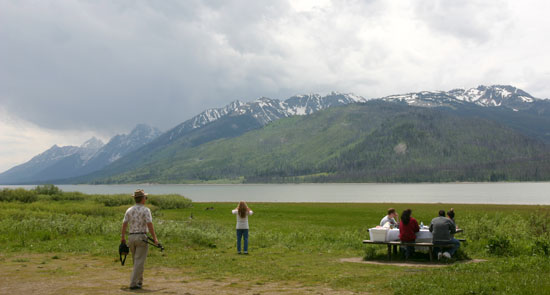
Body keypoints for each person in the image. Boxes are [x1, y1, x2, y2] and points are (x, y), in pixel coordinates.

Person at [121, 189, 159, 290]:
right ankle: (133, 283)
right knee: (139, 261)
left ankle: (139, 282)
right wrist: (155, 238)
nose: (146, 199)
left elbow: (124, 224)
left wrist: (123, 238)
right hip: (142, 237)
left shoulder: (129, 210)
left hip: (131, 237)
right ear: (142, 199)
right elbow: (149, 224)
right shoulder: (146, 210)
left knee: (136, 261)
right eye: (145, 197)